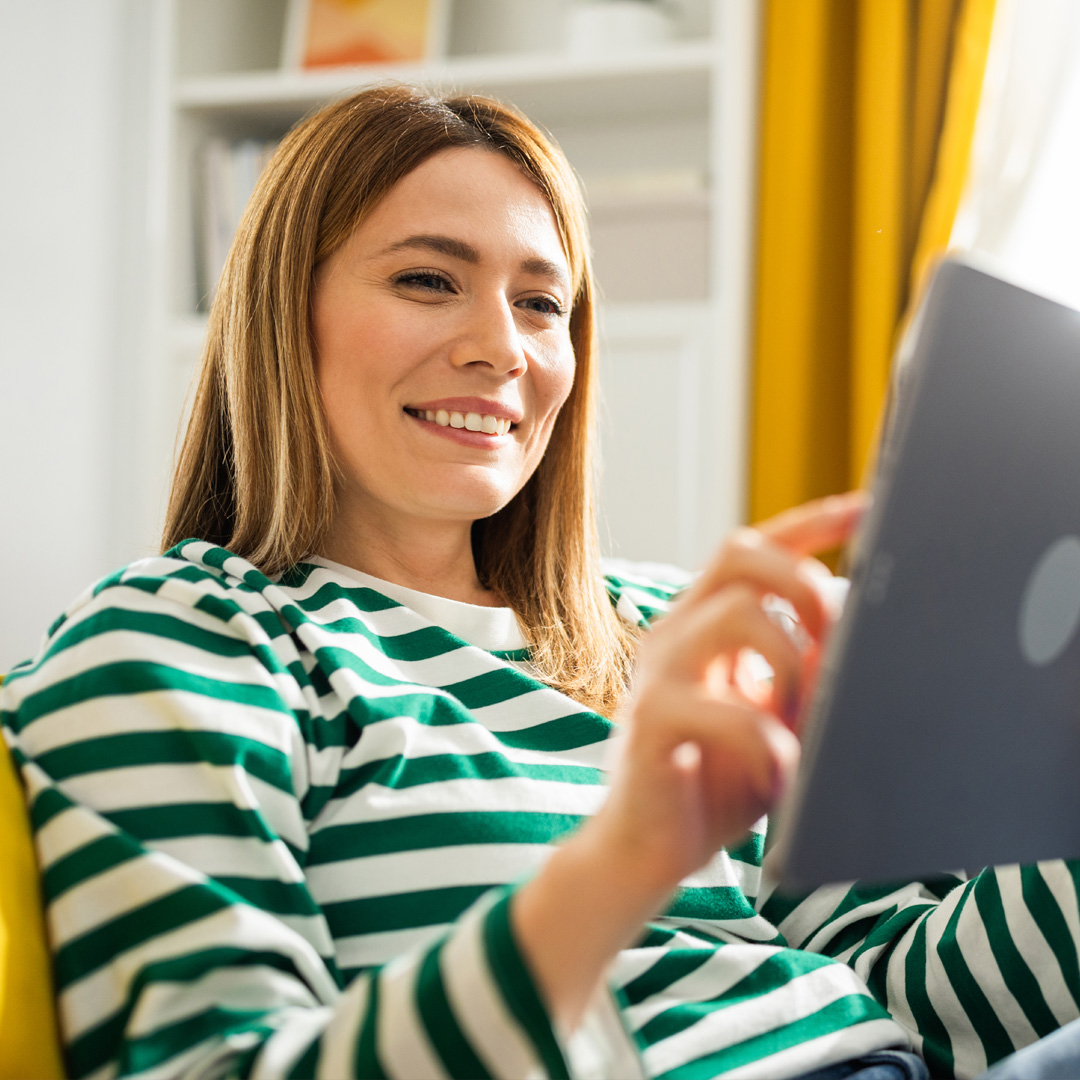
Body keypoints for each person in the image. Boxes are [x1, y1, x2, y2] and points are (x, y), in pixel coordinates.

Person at [2, 83, 1079, 1080]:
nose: (501, 348)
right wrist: (621, 861)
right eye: (429, 280)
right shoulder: (177, 642)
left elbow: (922, 996)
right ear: (285, 315)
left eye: (541, 304)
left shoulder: (671, 633)